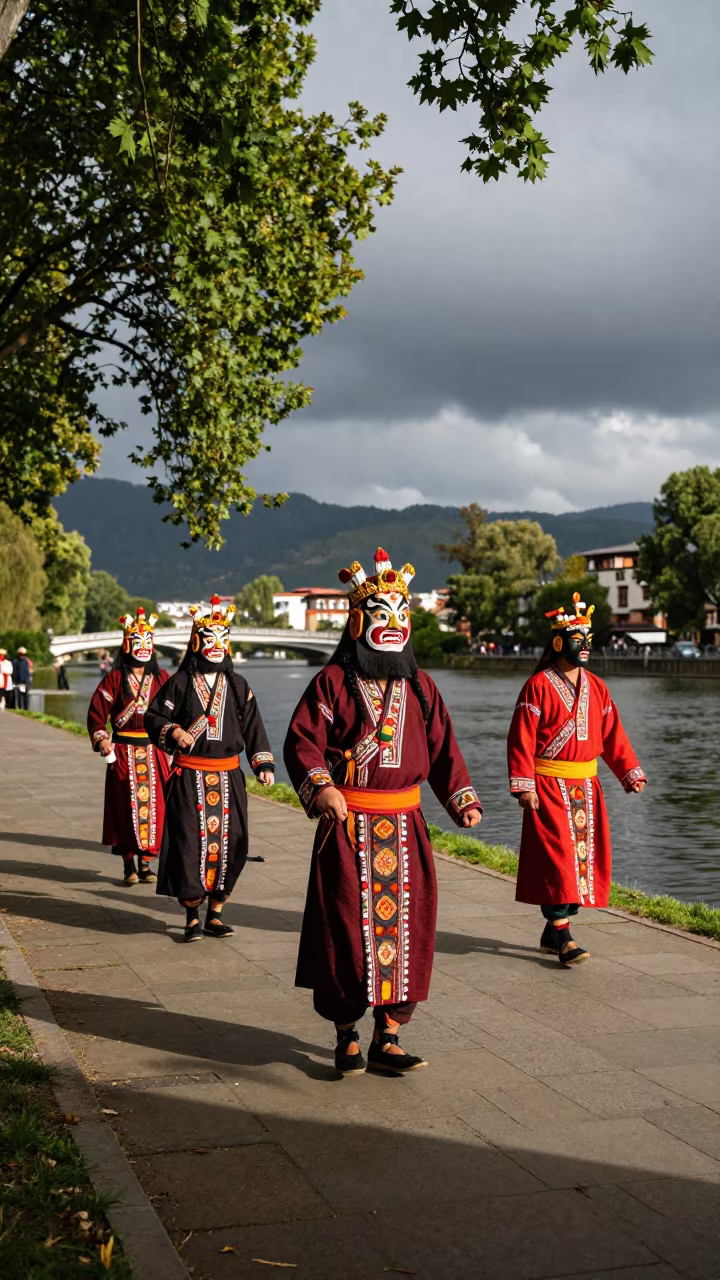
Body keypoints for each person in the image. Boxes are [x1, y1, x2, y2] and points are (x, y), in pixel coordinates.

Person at [284, 548, 482, 1077]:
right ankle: (345, 1033)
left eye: (400, 614)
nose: (391, 624)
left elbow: (444, 751)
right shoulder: (330, 684)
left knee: (408, 929)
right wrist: (320, 787)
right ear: (356, 623)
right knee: (344, 930)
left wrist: (461, 797)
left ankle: (388, 1035)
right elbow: (302, 742)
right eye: (379, 614)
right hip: (349, 826)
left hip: (406, 829)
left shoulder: (422, 687)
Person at [507, 592, 647, 966]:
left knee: (581, 864)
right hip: (549, 787)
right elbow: (520, 737)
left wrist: (628, 771)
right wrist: (524, 785)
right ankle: (564, 936)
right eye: (576, 640)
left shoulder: (597, 687)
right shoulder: (537, 686)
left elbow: (613, 733)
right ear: (557, 642)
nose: (584, 647)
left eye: (588, 640)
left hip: (587, 788)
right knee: (558, 861)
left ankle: (554, 931)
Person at [145, 596, 275, 942]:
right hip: (189, 777)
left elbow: (253, 727)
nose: (217, 646)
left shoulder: (238, 684)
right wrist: (172, 730)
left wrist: (262, 762)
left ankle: (215, 913)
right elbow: (154, 716)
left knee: (234, 843)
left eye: (223, 639)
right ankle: (191, 913)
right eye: (209, 639)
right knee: (190, 844)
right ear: (195, 642)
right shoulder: (180, 683)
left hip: (229, 776)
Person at [87, 609, 172, 885]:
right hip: (122, 752)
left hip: (154, 752)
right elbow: (98, 713)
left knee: (156, 806)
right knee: (124, 808)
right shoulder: (113, 680)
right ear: (127, 645)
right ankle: (128, 864)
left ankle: (147, 862)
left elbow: (178, 710)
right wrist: (102, 738)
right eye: (138, 643)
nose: (144, 648)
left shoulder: (162, 679)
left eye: (148, 642)